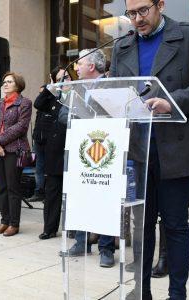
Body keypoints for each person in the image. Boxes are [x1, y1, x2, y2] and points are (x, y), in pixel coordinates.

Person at [113, 1, 189, 299]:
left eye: (143, 11)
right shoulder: (122, 47)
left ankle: (177, 294)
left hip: (177, 148)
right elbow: (115, 89)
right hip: (139, 151)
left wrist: (172, 101)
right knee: (142, 227)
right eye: (131, 13)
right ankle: (142, 291)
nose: (137, 19)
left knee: (175, 225)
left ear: (160, 4)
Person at [64, 49, 117, 268]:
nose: (76, 68)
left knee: (104, 200)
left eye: (80, 64)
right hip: (80, 147)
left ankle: (106, 249)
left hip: (104, 149)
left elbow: (115, 113)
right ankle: (81, 241)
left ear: (92, 66)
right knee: (82, 197)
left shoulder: (113, 86)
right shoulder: (76, 89)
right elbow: (62, 115)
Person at [0, 72, 32, 237]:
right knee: (1, 187)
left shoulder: (25, 103)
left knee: (13, 188)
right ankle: (4, 221)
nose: (5, 84)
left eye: (9, 82)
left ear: (18, 85)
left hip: (14, 150)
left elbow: (21, 127)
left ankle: (14, 224)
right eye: (4, 81)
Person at [33, 66, 69, 241]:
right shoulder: (53, 97)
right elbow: (38, 104)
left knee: (71, 193)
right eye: (61, 78)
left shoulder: (78, 95)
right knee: (53, 191)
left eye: (68, 77)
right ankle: (50, 228)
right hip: (54, 150)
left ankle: (73, 228)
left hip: (73, 149)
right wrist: (51, 88)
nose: (65, 80)